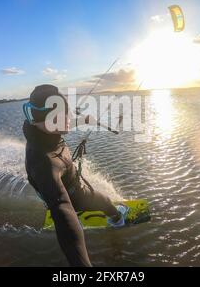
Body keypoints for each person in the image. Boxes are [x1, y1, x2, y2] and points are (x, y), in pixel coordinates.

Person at [23, 84, 128, 267]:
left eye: (67, 113)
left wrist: (89, 119)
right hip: (70, 195)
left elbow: (69, 121)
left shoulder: (43, 126)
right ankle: (117, 219)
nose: (68, 121)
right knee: (103, 202)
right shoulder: (43, 162)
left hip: (63, 182)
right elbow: (62, 207)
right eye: (63, 116)